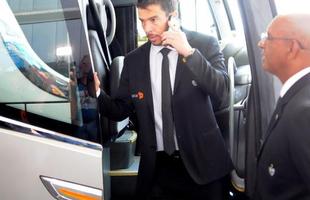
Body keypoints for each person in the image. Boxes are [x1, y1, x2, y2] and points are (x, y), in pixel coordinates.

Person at [95, 0, 233, 199]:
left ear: (172, 16)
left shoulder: (203, 44)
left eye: (153, 19)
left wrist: (189, 52)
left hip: (204, 166)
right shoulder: (133, 61)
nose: (147, 29)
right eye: (142, 21)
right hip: (158, 170)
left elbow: (222, 91)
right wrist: (97, 92)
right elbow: (120, 109)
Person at [255, 14, 310, 200]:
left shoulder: (304, 112)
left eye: (268, 37)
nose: (260, 44)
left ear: (292, 47)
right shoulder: (297, 94)